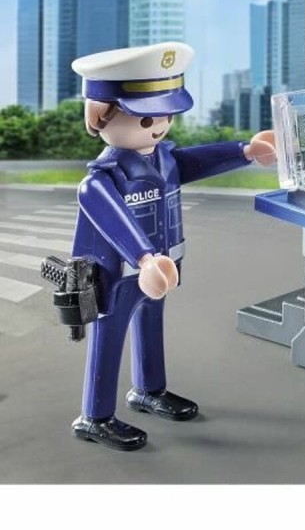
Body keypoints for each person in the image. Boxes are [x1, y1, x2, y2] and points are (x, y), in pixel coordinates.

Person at [69, 42, 276, 451]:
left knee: (151, 327)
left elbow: (200, 160)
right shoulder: (100, 181)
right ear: (99, 116)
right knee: (108, 338)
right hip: (118, 274)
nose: (159, 126)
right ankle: (96, 416)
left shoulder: (164, 160)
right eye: (147, 118)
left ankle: (150, 390)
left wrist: (245, 152)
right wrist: (144, 258)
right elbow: (117, 223)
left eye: (165, 115)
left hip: (160, 269)